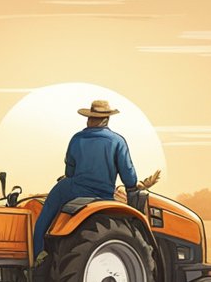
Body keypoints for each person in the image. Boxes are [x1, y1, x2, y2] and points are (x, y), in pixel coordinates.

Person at [32, 99, 139, 261]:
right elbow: (129, 178)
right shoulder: (117, 141)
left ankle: (37, 254)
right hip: (104, 194)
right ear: (106, 119)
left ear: (90, 118)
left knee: (46, 212)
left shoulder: (77, 139)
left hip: (75, 189)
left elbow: (70, 171)